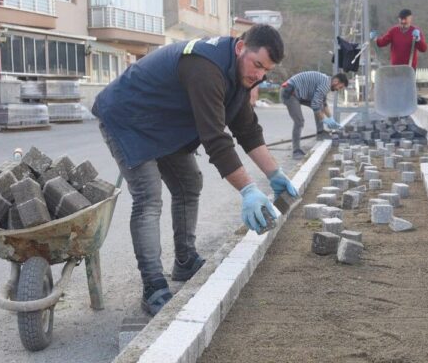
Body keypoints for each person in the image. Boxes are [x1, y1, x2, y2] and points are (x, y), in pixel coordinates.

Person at [92, 24, 298, 316]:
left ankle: (185, 260)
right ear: (241, 47)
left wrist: (275, 175)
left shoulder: (239, 74)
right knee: (149, 197)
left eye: (266, 70)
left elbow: (247, 130)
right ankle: (153, 286)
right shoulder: (206, 67)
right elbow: (215, 139)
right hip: (130, 117)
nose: (259, 75)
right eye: (257, 65)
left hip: (164, 123)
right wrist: (248, 190)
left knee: (189, 182)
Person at [280, 71, 349, 159]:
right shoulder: (325, 84)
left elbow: (323, 103)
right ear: (336, 81)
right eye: (340, 87)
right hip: (289, 92)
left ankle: (320, 133)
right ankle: (296, 151)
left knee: (319, 105)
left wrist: (331, 119)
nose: (338, 89)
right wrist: (325, 120)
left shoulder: (326, 81)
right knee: (299, 121)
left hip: (299, 93)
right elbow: (315, 105)